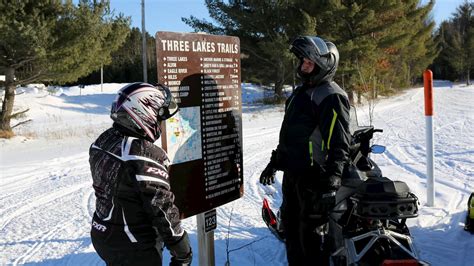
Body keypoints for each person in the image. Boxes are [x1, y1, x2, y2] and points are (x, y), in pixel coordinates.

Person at [260, 36, 351, 266]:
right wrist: (275, 161)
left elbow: (340, 142)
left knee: (310, 241)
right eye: (303, 62)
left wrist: (332, 181)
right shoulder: (299, 94)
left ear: (325, 64)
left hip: (315, 181)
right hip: (293, 178)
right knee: (291, 233)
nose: (303, 67)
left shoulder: (331, 96)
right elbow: (290, 136)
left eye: (309, 63)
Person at [89, 82, 192, 266]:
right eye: (159, 117)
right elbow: (162, 207)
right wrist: (182, 250)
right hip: (134, 243)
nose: (160, 124)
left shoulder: (104, 140)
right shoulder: (142, 154)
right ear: (144, 113)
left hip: (103, 232)